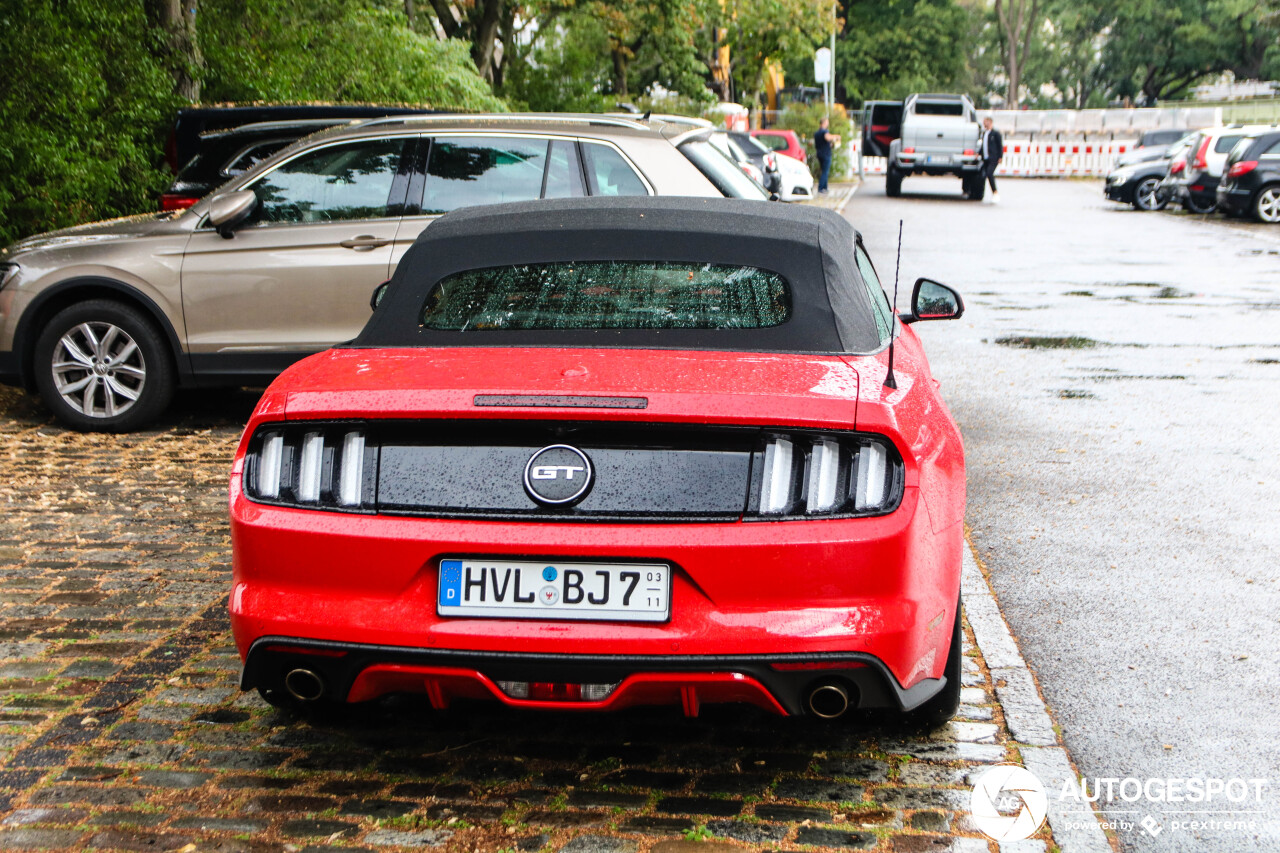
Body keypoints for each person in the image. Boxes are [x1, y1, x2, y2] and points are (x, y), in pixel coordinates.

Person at [814, 118, 841, 194]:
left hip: (819, 153)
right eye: (827, 122)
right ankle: (821, 188)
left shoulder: (817, 133)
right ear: (824, 123)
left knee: (824, 171)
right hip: (825, 154)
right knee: (825, 171)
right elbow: (827, 137)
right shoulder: (824, 132)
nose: (827, 124)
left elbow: (823, 143)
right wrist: (836, 136)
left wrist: (831, 145)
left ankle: (825, 187)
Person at [980, 115, 1003, 203]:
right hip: (985, 157)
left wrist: (1000, 156)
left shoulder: (996, 133)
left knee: (990, 173)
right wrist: (979, 153)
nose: (984, 124)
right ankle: (986, 192)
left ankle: (995, 192)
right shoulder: (984, 133)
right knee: (985, 175)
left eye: (985, 122)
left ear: (990, 122)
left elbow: (1000, 145)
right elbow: (983, 145)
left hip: (993, 157)